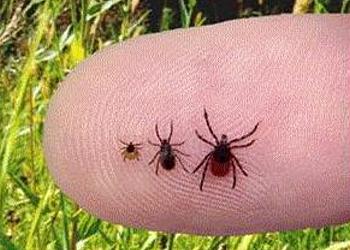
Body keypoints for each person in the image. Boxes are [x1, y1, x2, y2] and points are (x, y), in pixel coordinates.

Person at [44, 14, 350, 236]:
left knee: (209, 166)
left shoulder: (215, 150)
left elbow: (213, 146)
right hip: (217, 165)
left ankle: (207, 181)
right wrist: (234, 161)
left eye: (222, 144)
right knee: (221, 163)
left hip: (213, 165)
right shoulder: (226, 151)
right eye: (223, 144)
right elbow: (231, 149)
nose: (224, 143)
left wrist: (218, 156)